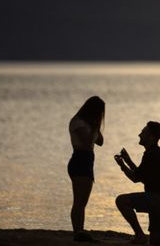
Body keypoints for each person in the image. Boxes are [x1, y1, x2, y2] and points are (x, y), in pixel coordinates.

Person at [67, 95, 105, 242]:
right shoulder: (78, 122)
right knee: (78, 201)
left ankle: (80, 231)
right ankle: (77, 232)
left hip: (87, 163)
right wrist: (94, 126)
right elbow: (86, 143)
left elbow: (100, 142)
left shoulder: (88, 123)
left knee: (83, 202)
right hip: (80, 161)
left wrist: (96, 126)